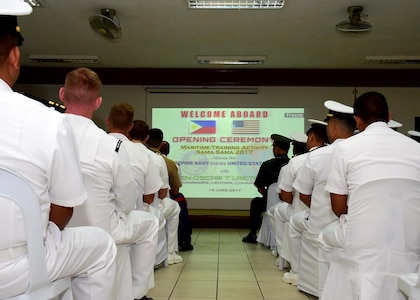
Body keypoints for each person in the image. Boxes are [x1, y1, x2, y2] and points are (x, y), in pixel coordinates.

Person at [0, 4, 117, 299]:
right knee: (101, 246)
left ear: (63, 95)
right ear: (14, 56)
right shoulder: (46, 122)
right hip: (14, 269)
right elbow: (64, 209)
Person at [59, 68, 158, 300]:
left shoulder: (43, 135)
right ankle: (136, 293)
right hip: (102, 231)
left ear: (62, 94)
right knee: (150, 223)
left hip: (54, 229)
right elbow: (126, 200)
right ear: (98, 102)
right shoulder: (110, 146)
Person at [319, 92, 420, 299]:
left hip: (361, 243)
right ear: (389, 116)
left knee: (324, 239)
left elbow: (338, 208)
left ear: (357, 120)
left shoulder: (345, 148)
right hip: (411, 240)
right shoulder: (417, 148)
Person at [282, 101, 356, 286]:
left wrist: (317, 209)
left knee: (293, 222)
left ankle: (297, 271)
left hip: (322, 223)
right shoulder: (363, 152)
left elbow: (304, 194)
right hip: (360, 223)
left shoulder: (316, 156)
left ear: (331, 126)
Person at [107, 108, 183, 266]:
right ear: (146, 137)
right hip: (132, 211)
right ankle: (166, 254)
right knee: (161, 214)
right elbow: (154, 196)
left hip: (101, 212)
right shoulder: (149, 157)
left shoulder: (102, 146)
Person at [270, 123, 328, 268]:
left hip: (305, 210)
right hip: (332, 212)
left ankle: (288, 261)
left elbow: (286, 194)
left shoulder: (298, 161)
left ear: (312, 137)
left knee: (279, 213)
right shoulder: (337, 155)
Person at [147, 128, 194, 251]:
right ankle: (179, 244)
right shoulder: (169, 163)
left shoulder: (136, 156)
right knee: (179, 203)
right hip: (156, 203)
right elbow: (174, 191)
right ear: (161, 143)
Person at [242, 134, 291, 244]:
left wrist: (269, 196)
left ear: (277, 148)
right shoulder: (292, 164)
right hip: (290, 202)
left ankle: (253, 234)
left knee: (256, 202)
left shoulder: (267, 165)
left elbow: (260, 187)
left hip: (269, 203)